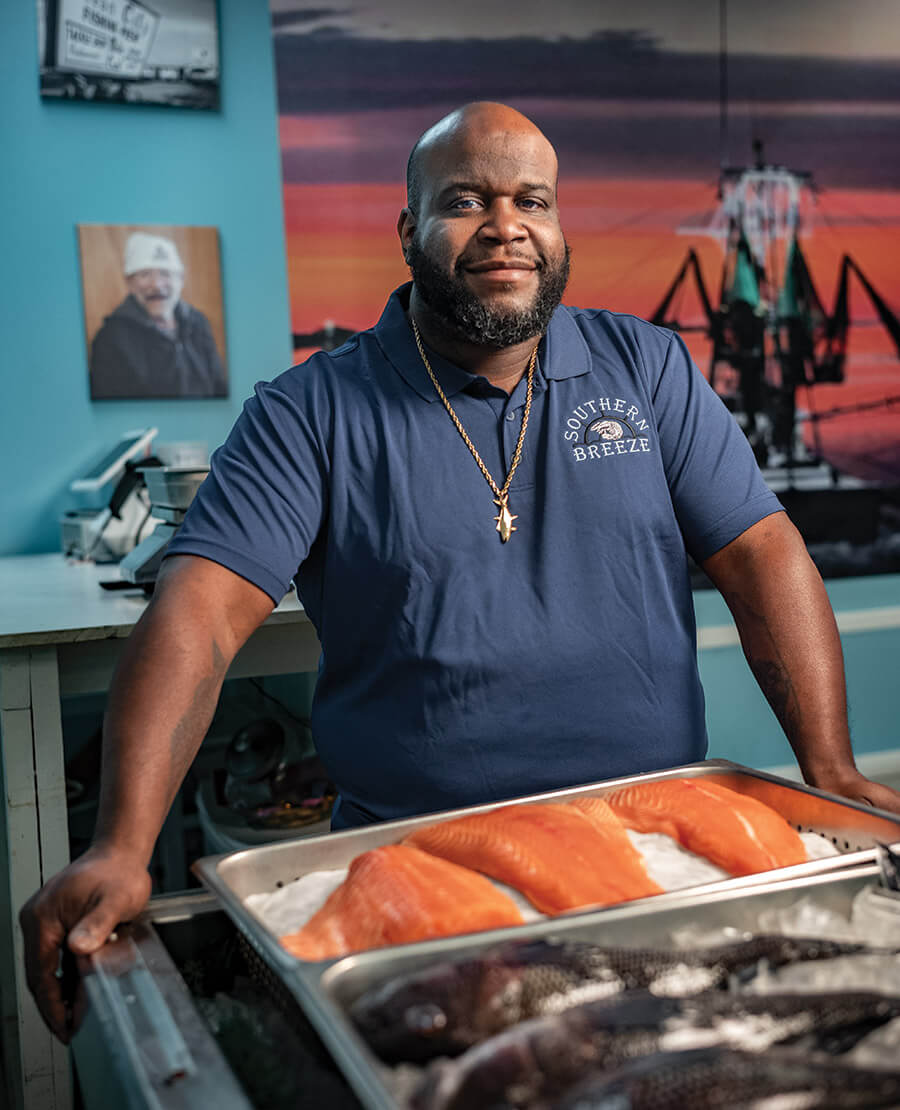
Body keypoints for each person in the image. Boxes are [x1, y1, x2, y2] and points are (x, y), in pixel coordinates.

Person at [22, 102, 900, 1043]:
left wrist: (830, 767)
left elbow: (763, 552)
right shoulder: (306, 412)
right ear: (409, 232)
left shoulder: (646, 368)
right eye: (466, 200)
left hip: (664, 844)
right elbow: (198, 616)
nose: (506, 225)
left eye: (533, 199)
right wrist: (119, 844)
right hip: (413, 863)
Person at [89, 231, 228, 399]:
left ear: (181, 280)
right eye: (145, 274)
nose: (156, 284)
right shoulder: (110, 338)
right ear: (130, 283)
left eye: (165, 273)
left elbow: (218, 385)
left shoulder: (199, 324)